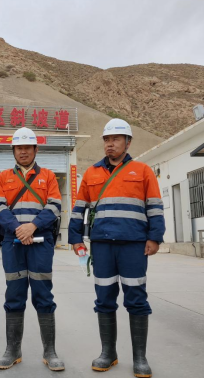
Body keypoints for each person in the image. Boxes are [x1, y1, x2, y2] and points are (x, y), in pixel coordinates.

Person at [68, 119, 165, 378]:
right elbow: (79, 209)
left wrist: (155, 237)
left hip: (134, 245)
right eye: (107, 140)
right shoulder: (91, 174)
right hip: (102, 245)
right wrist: (75, 238)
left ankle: (140, 358)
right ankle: (108, 353)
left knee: (136, 298)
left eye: (116, 139)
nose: (110, 144)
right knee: (104, 298)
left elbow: (155, 206)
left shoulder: (142, 171)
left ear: (128, 142)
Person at [0, 127, 65, 372]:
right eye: (19, 148)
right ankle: (12, 350)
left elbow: (54, 205)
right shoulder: (3, 177)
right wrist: (18, 229)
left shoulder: (48, 176)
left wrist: (32, 226)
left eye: (27, 147)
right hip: (12, 243)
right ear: (13, 150)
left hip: (41, 242)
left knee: (43, 293)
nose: (23, 151)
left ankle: (50, 351)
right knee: (14, 294)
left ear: (35, 149)